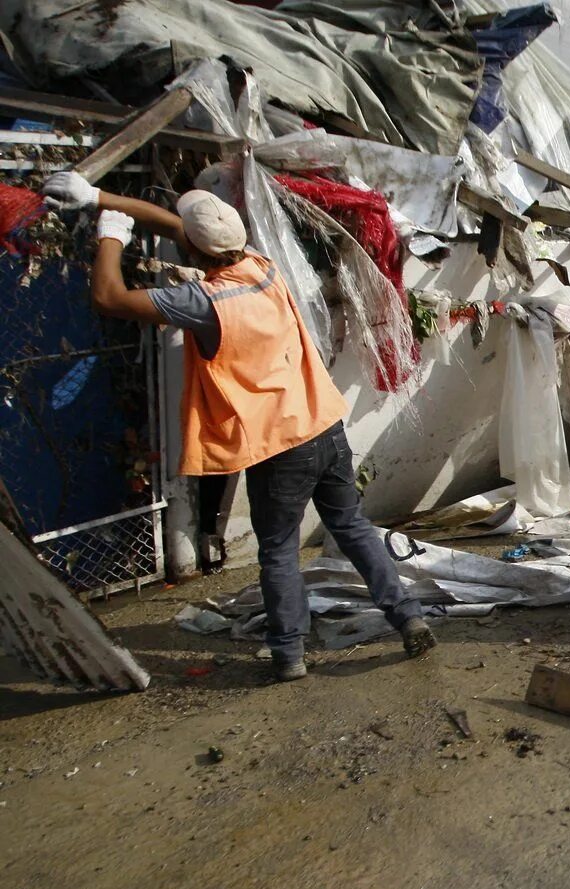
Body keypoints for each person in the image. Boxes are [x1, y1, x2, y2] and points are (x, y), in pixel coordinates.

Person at [40, 170, 434, 682]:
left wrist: (110, 232)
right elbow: (190, 233)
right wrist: (98, 197)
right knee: (352, 527)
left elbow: (110, 299)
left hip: (279, 443)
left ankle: (290, 654)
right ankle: (409, 619)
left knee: (278, 550)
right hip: (322, 423)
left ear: (199, 254)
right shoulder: (260, 268)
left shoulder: (203, 303)